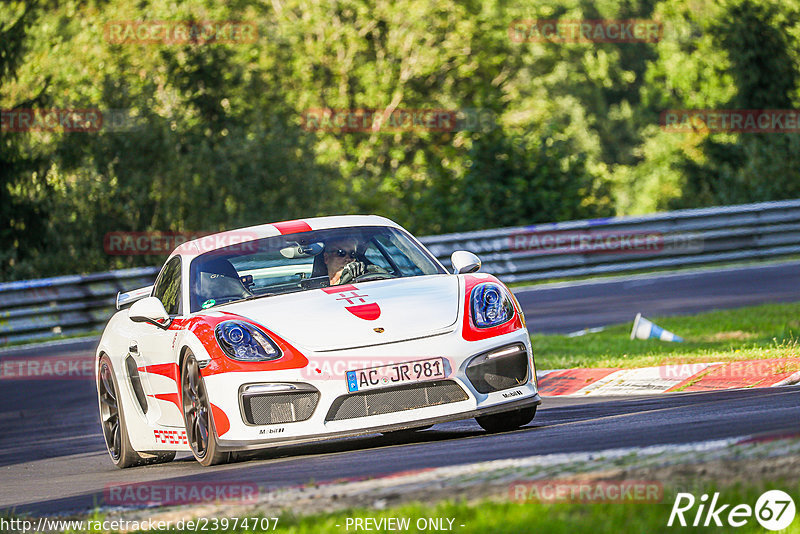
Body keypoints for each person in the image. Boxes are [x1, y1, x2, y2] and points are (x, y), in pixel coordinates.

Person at [322, 237, 389, 285]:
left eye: (352, 254)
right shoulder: (315, 290)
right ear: (326, 258)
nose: (348, 259)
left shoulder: (366, 282)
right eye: (341, 253)